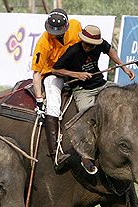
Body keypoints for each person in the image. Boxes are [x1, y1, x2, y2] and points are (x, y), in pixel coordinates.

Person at [53, 24, 136, 174]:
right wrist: (77, 75)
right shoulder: (73, 51)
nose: (88, 48)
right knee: (87, 118)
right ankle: (86, 157)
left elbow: (110, 50)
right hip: (82, 90)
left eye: (91, 46)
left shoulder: (100, 44)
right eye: (86, 44)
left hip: (101, 83)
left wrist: (123, 66)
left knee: (126, 98)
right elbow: (56, 69)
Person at [31, 8, 83, 172]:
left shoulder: (76, 26)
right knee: (53, 104)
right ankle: (55, 153)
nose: (56, 35)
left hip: (75, 70)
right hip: (54, 74)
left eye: (60, 31)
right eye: (53, 32)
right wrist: (39, 99)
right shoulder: (43, 43)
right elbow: (37, 73)